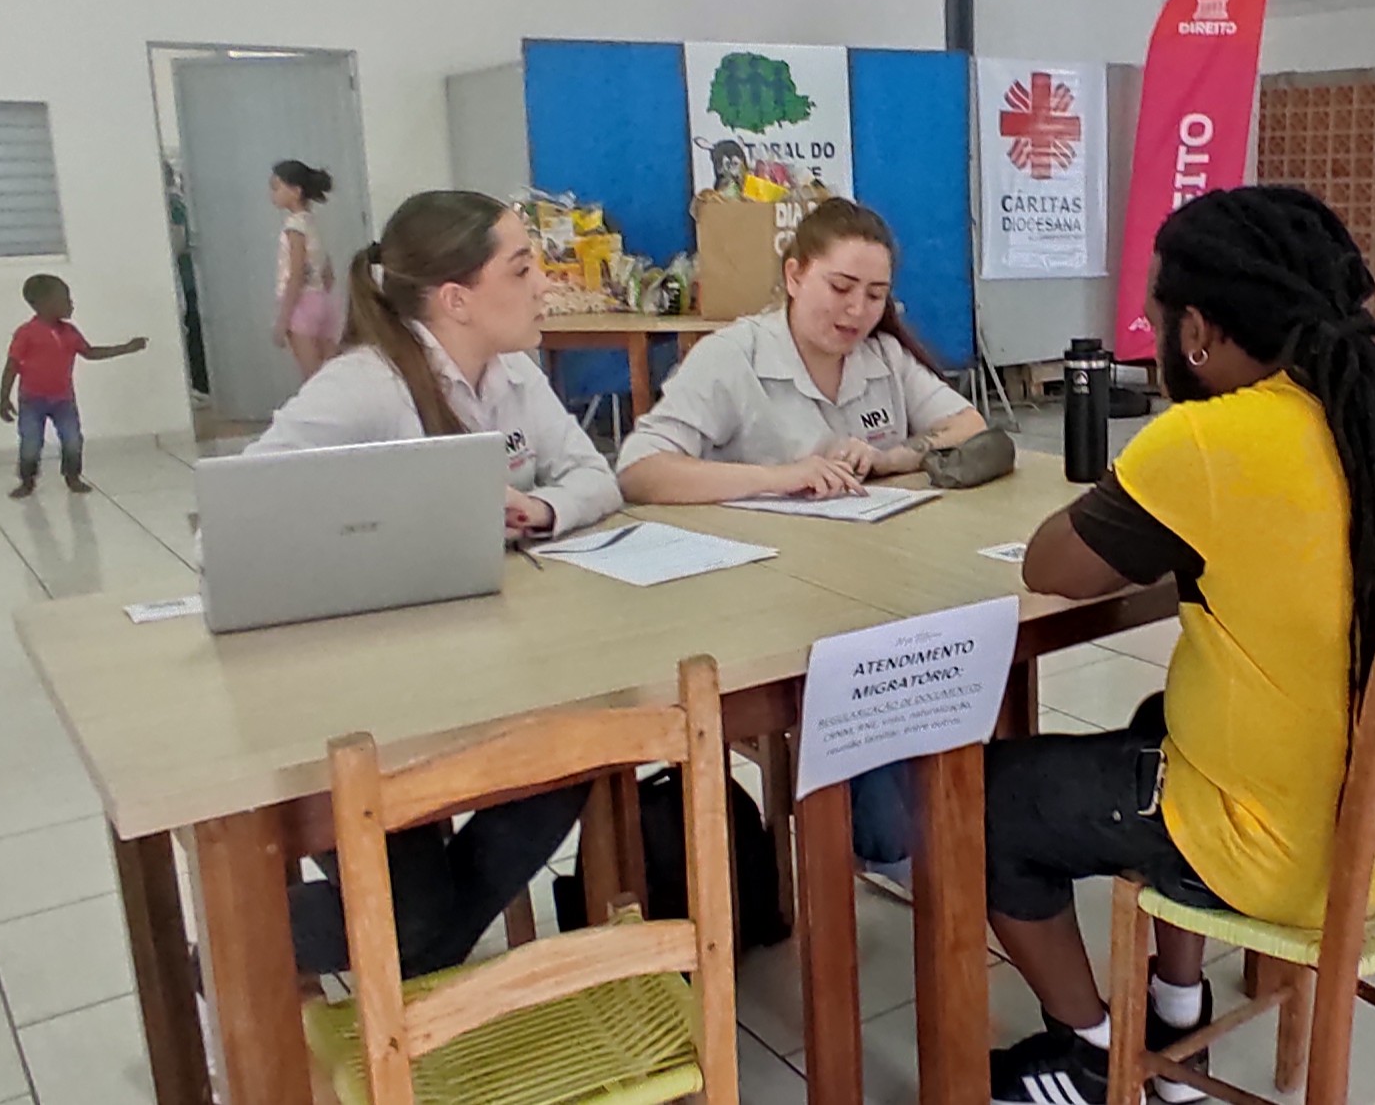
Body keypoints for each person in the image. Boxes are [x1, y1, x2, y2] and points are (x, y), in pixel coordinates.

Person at [984, 186, 1375, 1105]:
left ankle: (1089, 1051)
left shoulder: (1211, 436)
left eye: (1156, 318)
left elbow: (1052, 567)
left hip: (1294, 858)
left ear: (1194, 330)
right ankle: (1177, 1017)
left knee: (986, 800)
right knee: (1156, 717)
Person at [248, 188, 624, 977]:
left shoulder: (514, 374)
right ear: (456, 299)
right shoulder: (365, 385)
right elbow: (235, 522)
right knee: (412, 925)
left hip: (486, 668)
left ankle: (419, 954)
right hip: (363, 699)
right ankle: (230, 944)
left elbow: (595, 475)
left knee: (571, 764)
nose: (545, 284)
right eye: (521, 269)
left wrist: (541, 509)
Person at [616, 197, 987, 884]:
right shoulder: (732, 357)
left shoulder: (881, 357)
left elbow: (968, 430)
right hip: (760, 605)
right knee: (875, 739)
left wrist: (894, 457)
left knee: (956, 653)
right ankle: (886, 841)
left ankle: (938, 826)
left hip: (872, 587)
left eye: (874, 295)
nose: (857, 311)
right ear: (793, 275)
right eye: (840, 287)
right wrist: (777, 477)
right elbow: (639, 470)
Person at [0, 274, 148, 499]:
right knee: (30, 442)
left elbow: (90, 352)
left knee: (72, 439)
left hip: (63, 399)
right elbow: (12, 366)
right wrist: (4, 398)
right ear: (44, 304)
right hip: (31, 400)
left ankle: (73, 476)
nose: (71, 304)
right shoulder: (26, 333)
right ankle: (27, 481)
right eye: (65, 299)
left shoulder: (69, 332)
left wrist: (125, 348)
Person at [270, 158, 339, 380]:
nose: (272, 194)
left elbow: (296, 274)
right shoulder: (312, 223)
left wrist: (283, 320)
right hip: (321, 302)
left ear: (295, 191)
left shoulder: (294, 227)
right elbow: (328, 274)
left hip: (301, 305)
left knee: (313, 378)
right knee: (330, 373)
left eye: (276, 187)